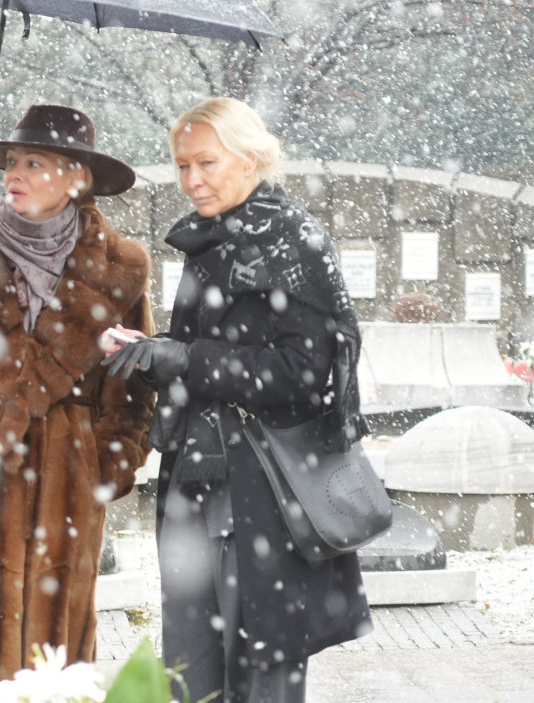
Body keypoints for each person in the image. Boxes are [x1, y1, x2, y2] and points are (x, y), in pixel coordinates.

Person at [104, 97, 373, 703]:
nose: (192, 180)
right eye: (181, 166)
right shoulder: (211, 243)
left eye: (207, 162)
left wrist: (186, 358)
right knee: (191, 668)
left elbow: (307, 374)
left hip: (262, 489)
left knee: (260, 673)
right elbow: (210, 359)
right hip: (198, 476)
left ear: (250, 159)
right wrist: (151, 354)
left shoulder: (292, 241)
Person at [0, 104, 156, 690]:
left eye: (33, 162)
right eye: (11, 161)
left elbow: (133, 385)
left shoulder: (121, 268)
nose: (13, 172)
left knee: (52, 669)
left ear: (76, 178)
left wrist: (107, 465)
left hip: (65, 485)